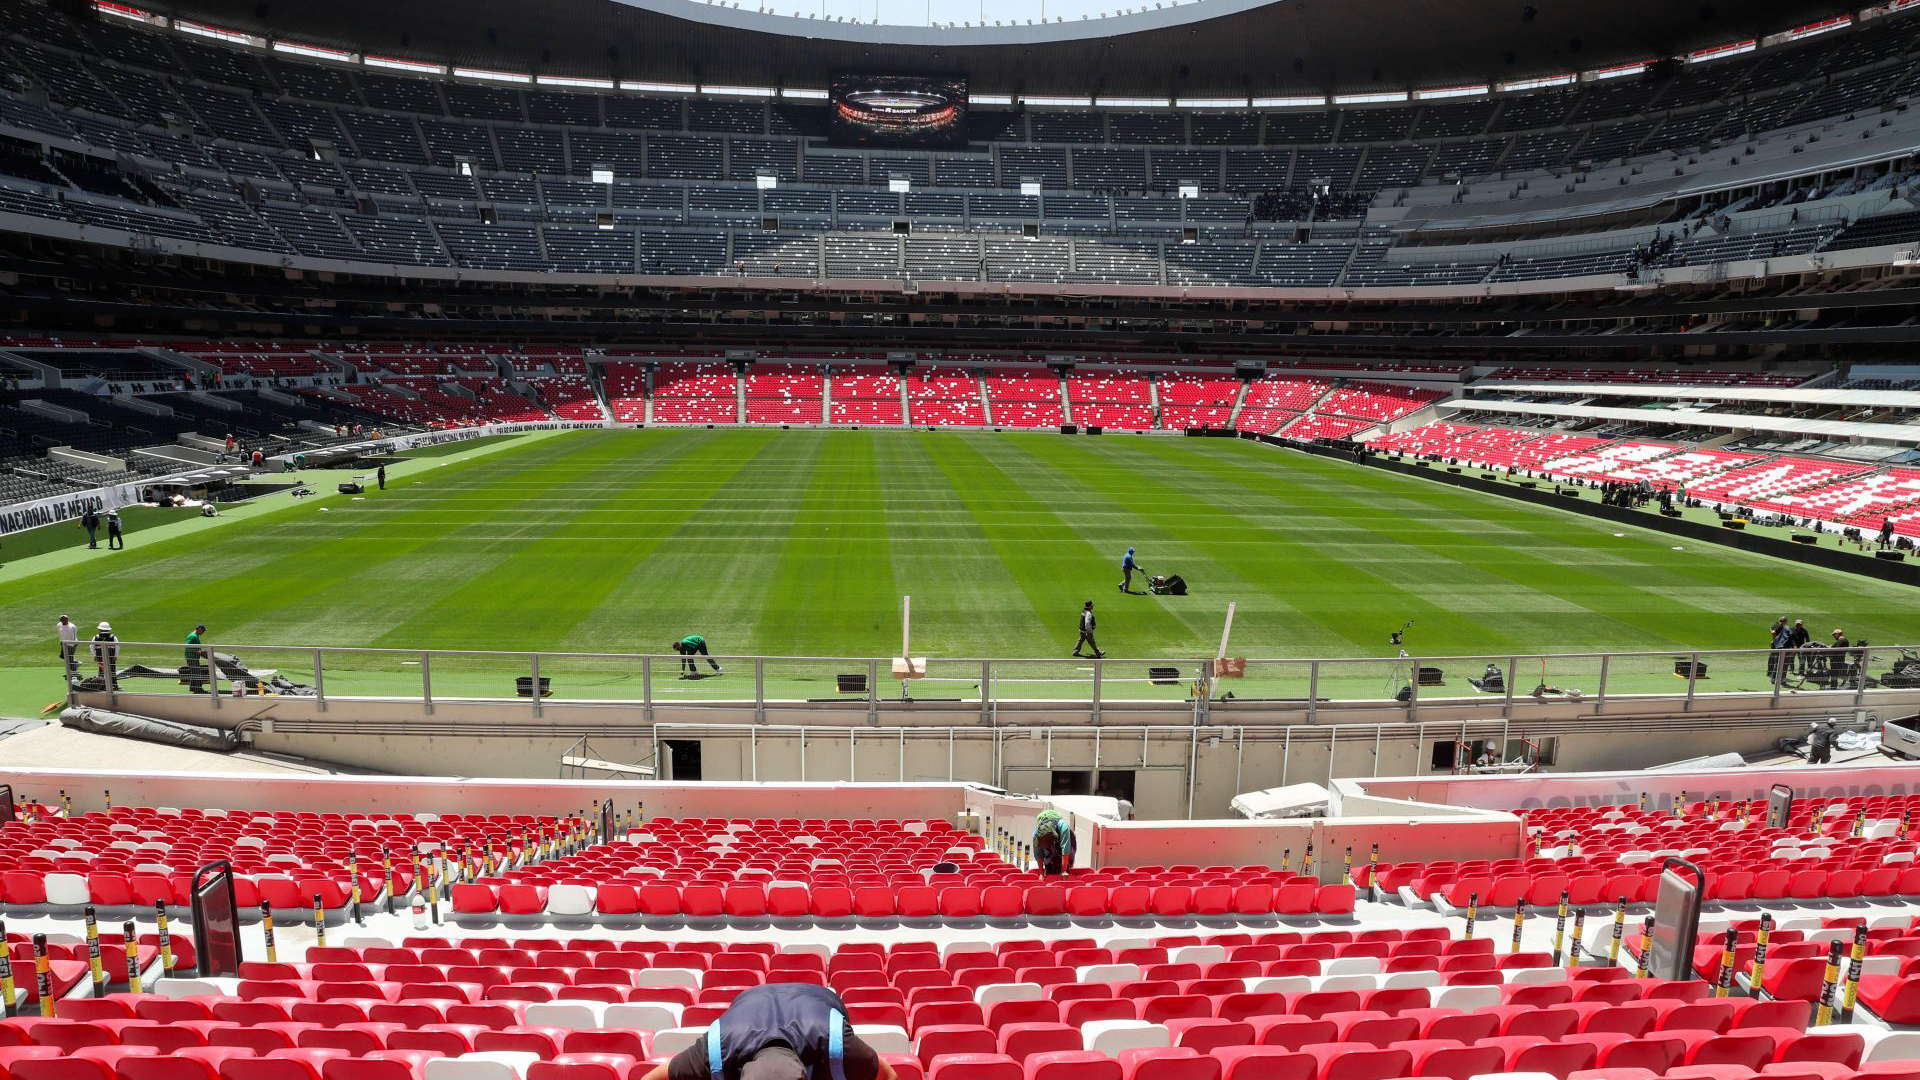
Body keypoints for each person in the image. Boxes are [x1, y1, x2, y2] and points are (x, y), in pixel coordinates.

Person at [637, 983, 893, 1080]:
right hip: (751, 1005)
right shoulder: (714, 1051)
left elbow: (888, 1075)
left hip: (815, 1001)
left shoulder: (839, 1046)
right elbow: (650, 1079)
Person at [1032, 807, 1076, 876]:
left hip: (1061, 835)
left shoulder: (1063, 826)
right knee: (1049, 865)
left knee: (1066, 864)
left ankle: (1066, 868)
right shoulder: (1036, 834)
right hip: (1047, 836)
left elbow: (1066, 848)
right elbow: (1038, 854)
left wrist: (1064, 871)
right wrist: (1041, 873)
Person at [90, 622, 119, 689]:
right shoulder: (113, 637)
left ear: (99, 629)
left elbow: (91, 646)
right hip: (111, 656)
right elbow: (117, 646)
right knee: (112, 671)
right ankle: (114, 685)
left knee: (101, 671)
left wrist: (94, 655)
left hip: (100, 657)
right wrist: (115, 655)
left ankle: (101, 686)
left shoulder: (96, 637)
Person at [185, 623, 208, 693]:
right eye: (203, 631)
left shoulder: (195, 635)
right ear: (199, 629)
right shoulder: (193, 636)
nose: (203, 632)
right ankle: (198, 689)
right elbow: (187, 646)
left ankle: (192, 687)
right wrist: (198, 652)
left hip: (193, 658)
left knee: (195, 672)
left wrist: (199, 651)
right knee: (197, 673)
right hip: (191, 658)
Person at [1768, 616, 1792, 682]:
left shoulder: (1775, 624)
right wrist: (1775, 639)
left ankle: (1771, 674)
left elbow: (1770, 628)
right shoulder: (1780, 626)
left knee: (1772, 658)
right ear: (1784, 621)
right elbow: (1773, 632)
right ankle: (1774, 677)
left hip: (1774, 644)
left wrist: (1774, 639)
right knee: (1777, 661)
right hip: (1777, 645)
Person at [55, 615, 79, 680]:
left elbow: (73, 638)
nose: (63, 622)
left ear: (67, 620)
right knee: (64, 657)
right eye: (62, 621)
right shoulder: (59, 625)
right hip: (64, 643)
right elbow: (60, 634)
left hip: (71, 644)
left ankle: (74, 673)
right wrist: (61, 642)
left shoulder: (72, 627)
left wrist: (72, 646)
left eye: (64, 621)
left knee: (69, 659)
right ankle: (76, 664)